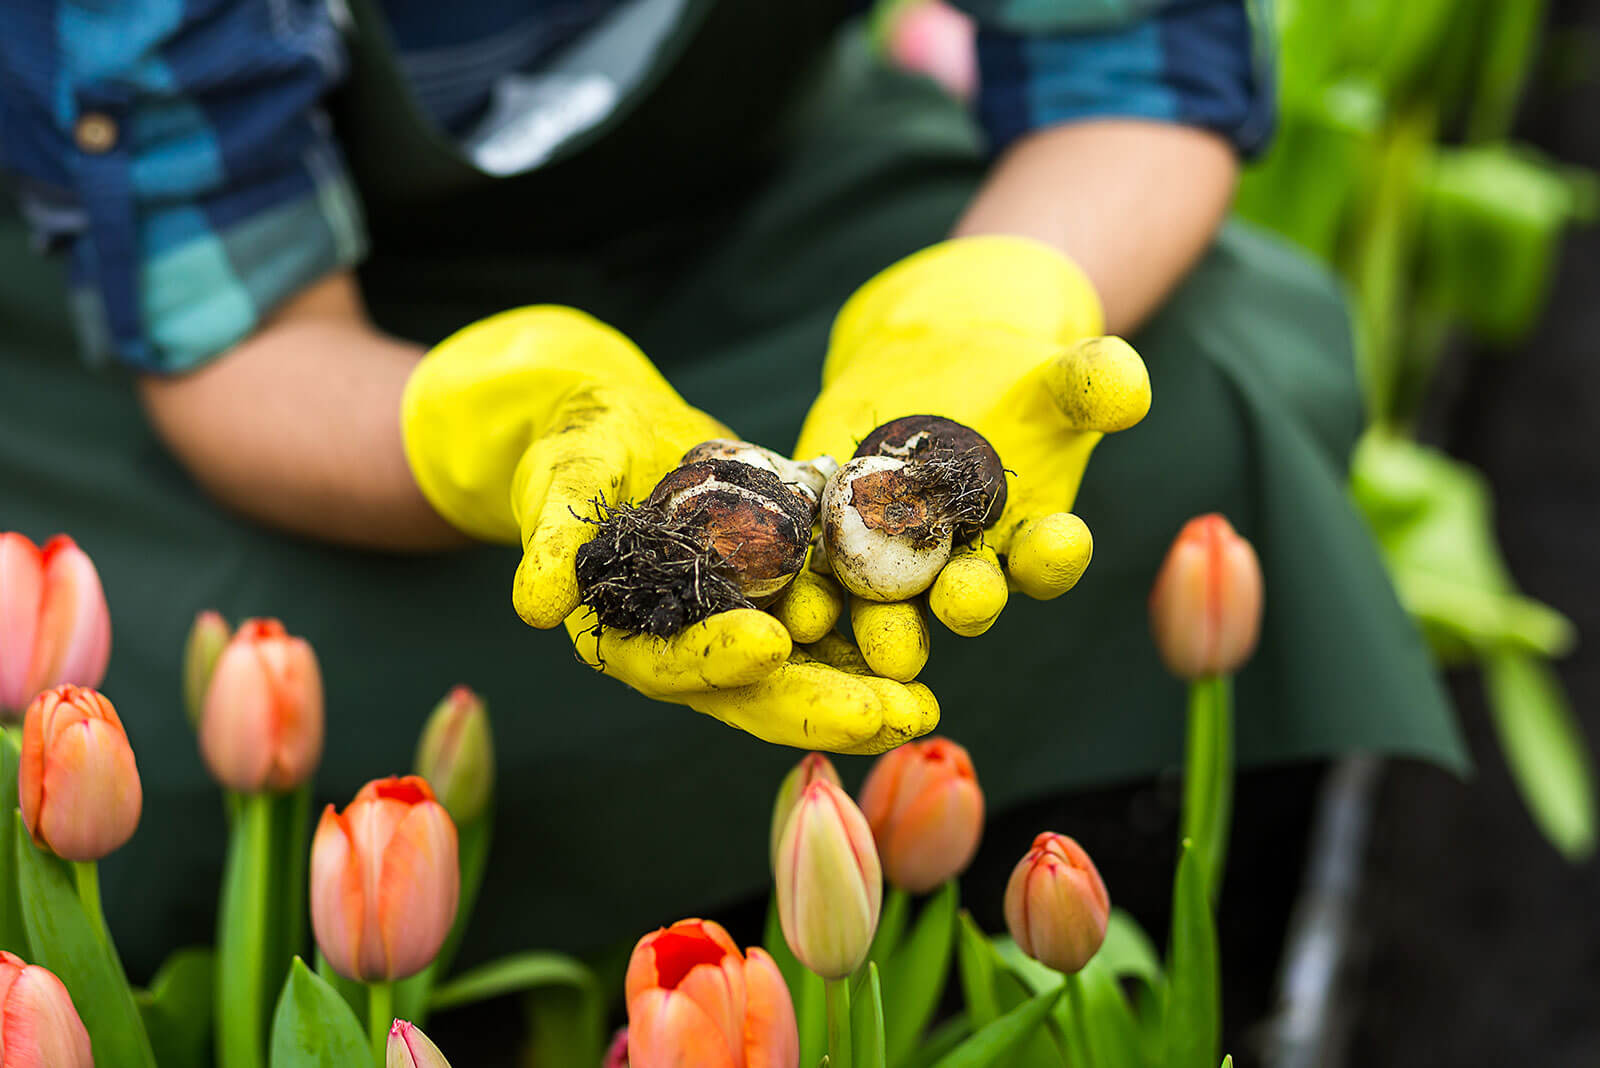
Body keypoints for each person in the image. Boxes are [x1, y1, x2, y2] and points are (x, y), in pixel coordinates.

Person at [0, 0, 1461, 978]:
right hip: (314, 356)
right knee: (174, 683)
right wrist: (491, 435)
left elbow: (1131, 73)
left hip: (753, 214)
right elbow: (243, 338)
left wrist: (997, 301)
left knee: (1210, 395)